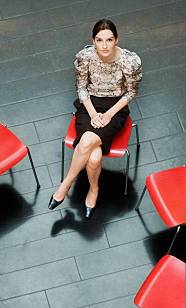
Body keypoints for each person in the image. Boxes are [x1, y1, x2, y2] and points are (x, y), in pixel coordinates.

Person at [48, 18, 142, 218]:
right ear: (93, 41)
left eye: (109, 40)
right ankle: (93, 189)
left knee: (87, 142)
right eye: (99, 40)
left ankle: (65, 186)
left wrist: (109, 114)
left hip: (115, 108)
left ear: (117, 39)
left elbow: (131, 93)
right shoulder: (85, 57)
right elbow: (81, 88)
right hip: (89, 105)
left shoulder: (129, 61)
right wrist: (92, 113)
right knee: (94, 157)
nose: (104, 45)